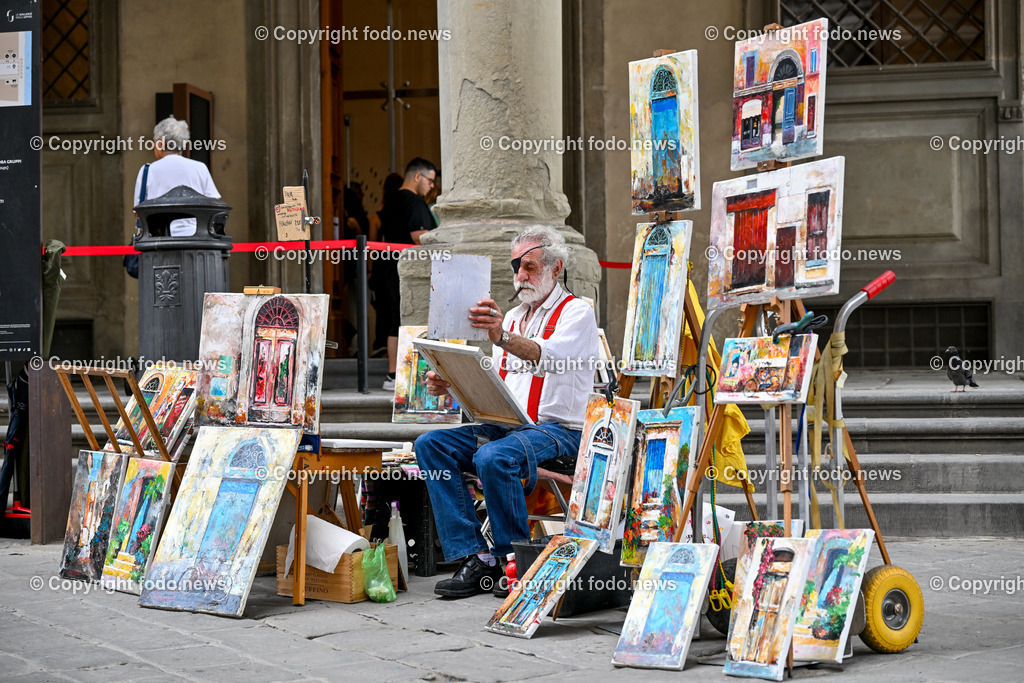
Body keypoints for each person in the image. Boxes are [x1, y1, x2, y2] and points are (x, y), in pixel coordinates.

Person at [414, 226, 599, 598]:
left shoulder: (577, 312)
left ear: (556, 267)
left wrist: (500, 337)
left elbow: (546, 358)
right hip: (510, 428)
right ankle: (477, 557)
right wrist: (452, 384)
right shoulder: (512, 316)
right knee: (430, 445)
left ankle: (515, 558)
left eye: (529, 267)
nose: (520, 277)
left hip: (560, 432)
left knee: (493, 455)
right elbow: (496, 388)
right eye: (517, 268)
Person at [378, 158, 438, 390]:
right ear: (417, 177)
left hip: (389, 265)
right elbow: (419, 236)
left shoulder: (390, 199)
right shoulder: (414, 201)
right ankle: (403, 376)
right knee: (410, 319)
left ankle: (393, 374)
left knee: (396, 321)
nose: (431, 186)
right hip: (410, 269)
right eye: (430, 181)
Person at [133, 116, 220, 237]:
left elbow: (138, 212)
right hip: (197, 241)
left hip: (157, 242)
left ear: (160, 143)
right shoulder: (200, 168)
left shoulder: (147, 171)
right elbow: (214, 205)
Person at [368, 173, 404, 357]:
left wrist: (369, 271)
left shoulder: (377, 217)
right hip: (400, 262)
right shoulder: (404, 214)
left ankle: (380, 343)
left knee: (382, 306)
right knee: (396, 307)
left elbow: (372, 248)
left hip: (382, 265)